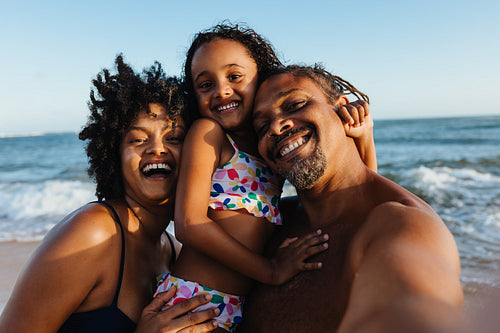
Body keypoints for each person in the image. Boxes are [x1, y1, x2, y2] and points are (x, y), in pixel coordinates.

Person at [154, 23, 377, 332]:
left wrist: (363, 137)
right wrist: (270, 271)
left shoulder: (270, 151)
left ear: (260, 77)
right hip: (191, 302)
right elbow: (189, 225)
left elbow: (354, 192)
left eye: (234, 76)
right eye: (205, 85)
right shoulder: (210, 135)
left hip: (234, 311)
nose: (222, 90)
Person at [239, 64, 467, 332]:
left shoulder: (403, 225)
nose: (276, 127)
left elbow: (415, 308)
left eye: (295, 104)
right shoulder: (269, 224)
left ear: (342, 110)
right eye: (262, 126)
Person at [0, 55, 218, 333]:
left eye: (173, 139)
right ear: (114, 155)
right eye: (138, 139)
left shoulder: (174, 250)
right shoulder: (95, 232)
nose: (157, 149)